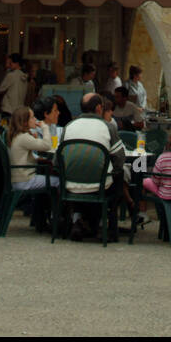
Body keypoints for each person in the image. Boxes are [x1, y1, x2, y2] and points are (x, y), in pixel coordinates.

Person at [61, 92, 133, 241]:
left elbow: (58, 159)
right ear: (99, 108)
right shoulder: (107, 127)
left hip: (70, 184)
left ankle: (78, 219)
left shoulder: (68, 127)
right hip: (100, 186)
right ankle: (105, 225)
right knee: (118, 178)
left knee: (83, 175)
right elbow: (119, 158)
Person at [7, 104, 63, 231]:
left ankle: (43, 218)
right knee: (59, 181)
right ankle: (57, 218)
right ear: (25, 122)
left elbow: (26, 155)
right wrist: (45, 128)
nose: (35, 120)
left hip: (19, 178)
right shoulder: (24, 137)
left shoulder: (18, 136)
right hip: (25, 180)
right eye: (32, 118)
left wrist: (38, 158)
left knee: (50, 179)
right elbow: (47, 145)